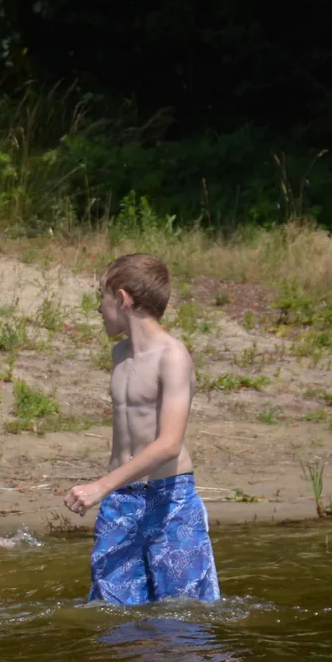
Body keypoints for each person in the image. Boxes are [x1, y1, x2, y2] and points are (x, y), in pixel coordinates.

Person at [65, 253, 220, 604]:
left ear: (121, 298)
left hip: (170, 498)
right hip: (121, 500)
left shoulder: (173, 356)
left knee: (184, 614)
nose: (99, 310)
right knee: (112, 612)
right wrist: (108, 490)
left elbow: (168, 444)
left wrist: (99, 487)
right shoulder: (120, 354)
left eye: (101, 299)